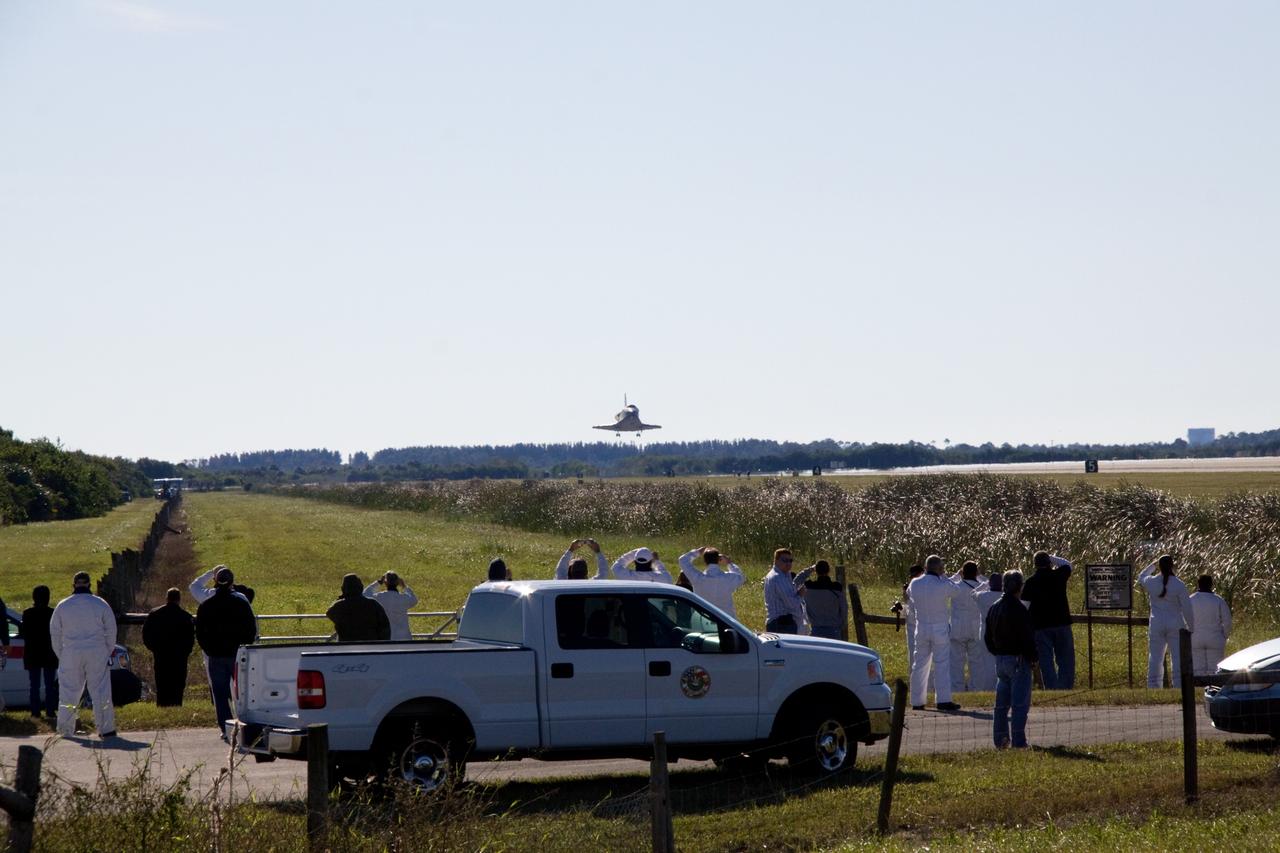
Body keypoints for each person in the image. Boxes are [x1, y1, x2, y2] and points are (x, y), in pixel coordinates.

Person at [50, 572, 117, 739]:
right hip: (96, 650)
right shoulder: (100, 604)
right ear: (89, 584)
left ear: (73, 585)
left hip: (71, 652)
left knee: (68, 692)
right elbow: (111, 631)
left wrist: (62, 654)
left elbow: (55, 634)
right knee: (100, 691)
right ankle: (106, 729)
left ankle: (66, 729)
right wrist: (106, 651)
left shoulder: (63, 606)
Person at [196, 567, 258, 739]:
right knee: (243, 691)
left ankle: (226, 728)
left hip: (215, 655)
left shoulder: (206, 605)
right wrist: (245, 645)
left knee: (220, 694)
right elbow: (251, 628)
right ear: (232, 582)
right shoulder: (241, 603)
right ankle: (245, 724)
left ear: (215, 582)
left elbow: (200, 633)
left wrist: (209, 650)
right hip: (237, 654)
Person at [985, 570, 1037, 748]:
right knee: (1019, 704)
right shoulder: (1020, 609)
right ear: (1019, 587)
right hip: (1017, 659)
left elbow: (987, 637)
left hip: (1000, 659)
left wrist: (997, 652)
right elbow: (1027, 637)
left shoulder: (994, 607)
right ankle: (1019, 741)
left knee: (1001, 706)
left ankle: (1000, 740)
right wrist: (1032, 657)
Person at [908, 555, 963, 711]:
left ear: (925, 567)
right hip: (939, 628)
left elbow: (911, 596)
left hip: (922, 627)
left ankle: (917, 700)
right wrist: (944, 576)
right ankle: (943, 699)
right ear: (939, 568)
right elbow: (956, 591)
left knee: (919, 664)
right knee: (942, 664)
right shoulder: (942, 584)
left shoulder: (915, 583)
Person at [1020, 551, 1075, 689]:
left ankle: (1052, 688)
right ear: (1049, 563)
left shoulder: (1030, 582)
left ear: (1035, 565)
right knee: (1065, 659)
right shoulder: (1059, 575)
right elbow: (1067, 564)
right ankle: (1065, 687)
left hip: (1040, 626)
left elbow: (1024, 606)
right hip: (1062, 624)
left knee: (1046, 661)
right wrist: (1051, 557)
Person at [1138, 555, 1195, 688]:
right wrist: (1191, 627)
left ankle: (1153, 686)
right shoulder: (1179, 585)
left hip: (1156, 623)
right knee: (1177, 658)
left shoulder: (1151, 582)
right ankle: (1179, 686)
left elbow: (1141, 576)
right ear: (1172, 566)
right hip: (1175, 623)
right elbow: (1187, 608)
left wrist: (1152, 566)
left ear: (1160, 566)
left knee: (1155, 658)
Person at [142, 588, 196, 706]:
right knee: (178, 683)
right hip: (179, 656)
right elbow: (190, 639)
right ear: (179, 599)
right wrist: (185, 652)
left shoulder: (155, 614)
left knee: (162, 683)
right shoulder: (186, 617)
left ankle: (162, 705)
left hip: (161, 655)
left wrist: (154, 648)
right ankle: (176, 705)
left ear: (167, 598)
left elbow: (146, 635)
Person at [949, 561, 989, 693]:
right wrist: (980, 576)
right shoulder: (981, 588)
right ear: (976, 573)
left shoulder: (956, 587)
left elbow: (943, 583)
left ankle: (957, 689)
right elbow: (990, 582)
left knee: (956, 662)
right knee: (976, 662)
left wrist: (956, 575)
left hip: (957, 627)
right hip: (974, 628)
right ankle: (976, 688)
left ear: (963, 572)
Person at [20, 586, 59, 718]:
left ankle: (35, 711)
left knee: (34, 685)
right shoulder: (52, 613)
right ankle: (50, 711)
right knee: (49, 685)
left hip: (33, 652)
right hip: (49, 652)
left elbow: (24, 633)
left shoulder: (27, 613)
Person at [677, 546, 746, 618]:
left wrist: (698, 552)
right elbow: (741, 577)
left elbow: (682, 560)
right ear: (719, 560)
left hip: (703, 619)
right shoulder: (728, 578)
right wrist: (729, 563)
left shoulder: (697, 578)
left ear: (704, 561)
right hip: (726, 620)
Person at [327, 574, 391, 642]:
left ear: (343, 589)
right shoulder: (373, 604)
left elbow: (329, 613)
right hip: (370, 645)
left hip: (347, 646)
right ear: (361, 587)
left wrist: (341, 597)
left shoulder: (339, 606)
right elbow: (385, 628)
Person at [1189, 574, 1232, 677]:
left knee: (1197, 669)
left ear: (1198, 584)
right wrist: (1224, 635)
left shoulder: (1191, 599)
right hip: (1215, 637)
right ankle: (1213, 689)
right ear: (1211, 584)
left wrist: (1189, 633)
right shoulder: (1218, 600)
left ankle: (1199, 689)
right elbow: (1227, 620)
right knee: (1215, 669)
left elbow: (1184, 618)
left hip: (1196, 637)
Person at [970, 571, 1003, 691]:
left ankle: (989, 687)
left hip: (985, 629)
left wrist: (984, 584)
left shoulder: (983, 596)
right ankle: (1000, 686)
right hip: (1001, 629)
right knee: (1001, 659)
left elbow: (972, 593)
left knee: (987, 661)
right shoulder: (1004, 596)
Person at [763, 549, 809, 634]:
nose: (788, 563)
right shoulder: (777, 578)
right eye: (785, 560)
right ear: (776, 561)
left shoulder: (785, 575)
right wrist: (800, 594)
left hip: (785, 622)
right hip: (781, 623)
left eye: (790, 561)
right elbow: (791, 604)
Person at [364, 571, 419, 640]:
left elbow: (365, 594)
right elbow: (414, 600)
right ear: (397, 583)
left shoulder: (379, 597)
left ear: (385, 583)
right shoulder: (403, 598)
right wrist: (404, 586)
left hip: (385, 637)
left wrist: (378, 582)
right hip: (403, 637)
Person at [802, 560, 847, 639]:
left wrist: (810, 570)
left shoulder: (808, 587)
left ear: (816, 571)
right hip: (834, 630)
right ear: (828, 570)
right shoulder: (837, 587)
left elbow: (797, 581)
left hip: (815, 629)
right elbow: (844, 608)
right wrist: (841, 624)